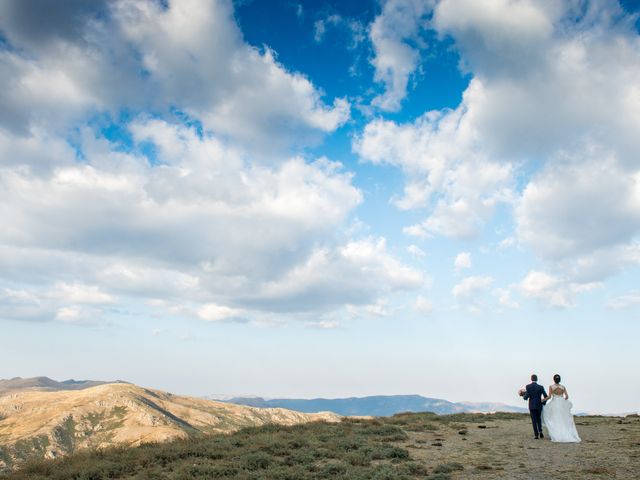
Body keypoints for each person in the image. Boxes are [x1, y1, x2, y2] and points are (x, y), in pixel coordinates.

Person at [541, 374, 581, 442]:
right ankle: (566, 433)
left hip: (555, 403)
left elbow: (549, 397)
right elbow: (567, 397)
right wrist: (563, 400)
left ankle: (557, 434)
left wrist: (542, 400)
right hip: (561, 403)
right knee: (563, 419)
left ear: (554, 379)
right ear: (559, 380)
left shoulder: (551, 386)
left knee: (555, 419)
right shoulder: (563, 387)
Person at [521, 374, 548, 439]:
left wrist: (523, 396)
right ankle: (540, 431)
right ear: (537, 379)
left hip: (532, 406)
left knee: (534, 420)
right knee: (539, 418)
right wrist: (543, 402)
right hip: (539, 405)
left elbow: (526, 397)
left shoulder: (528, 386)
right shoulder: (541, 387)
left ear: (531, 379)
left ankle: (536, 435)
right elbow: (546, 396)